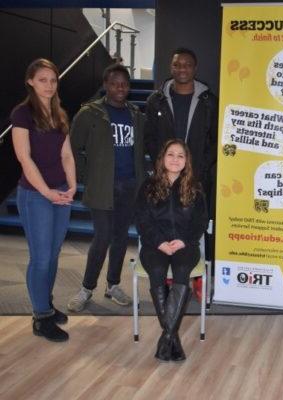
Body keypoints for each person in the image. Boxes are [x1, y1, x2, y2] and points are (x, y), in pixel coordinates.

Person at [67, 64, 146, 312]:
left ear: (129, 87)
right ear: (105, 85)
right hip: (102, 187)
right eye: (114, 83)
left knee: (121, 238)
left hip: (129, 186)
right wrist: (87, 176)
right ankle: (86, 288)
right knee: (102, 237)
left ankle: (113, 286)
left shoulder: (136, 115)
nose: (119, 88)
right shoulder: (89, 114)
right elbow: (73, 149)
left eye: (124, 83)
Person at [11, 58, 76, 342]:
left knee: (53, 253)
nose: (49, 85)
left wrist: (72, 185)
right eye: (42, 80)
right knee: (41, 258)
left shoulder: (59, 113)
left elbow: (67, 155)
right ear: (30, 81)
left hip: (60, 191)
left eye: (53, 80)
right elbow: (24, 158)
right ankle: (41, 318)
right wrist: (47, 192)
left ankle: (46, 305)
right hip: (35, 195)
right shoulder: (22, 114)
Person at [135, 139, 208, 362]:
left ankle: (166, 336)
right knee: (156, 270)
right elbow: (142, 220)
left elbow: (201, 221)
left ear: (186, 161)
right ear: (162, 158)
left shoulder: (195, 187)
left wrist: (184, 240)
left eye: (180, 156)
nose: (175, 159)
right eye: (171, 154)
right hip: (154, 244)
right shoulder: (148, 186)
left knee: (182, 270)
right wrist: (159, 242)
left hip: (185, 245)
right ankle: (171, 337)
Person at [144, 47, 218, 200]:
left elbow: (216, 140)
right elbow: (149, 137)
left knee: (194, 221)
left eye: (187, 65)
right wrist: (161, 165)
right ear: (171, 68)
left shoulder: (209, 102)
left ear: (195, 68)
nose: (182, 69)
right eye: (177, 65)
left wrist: (201, 167)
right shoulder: (156, 101)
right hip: (165, 177)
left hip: (197, 178)